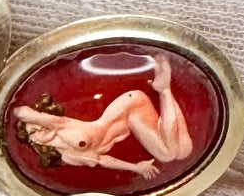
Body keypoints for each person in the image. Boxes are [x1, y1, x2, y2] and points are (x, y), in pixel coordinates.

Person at [13, 53, 193, 179]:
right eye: (34, 132)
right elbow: (101, 159)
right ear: (33, 141)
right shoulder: (66, 156)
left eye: (37, 124)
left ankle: (164, 89)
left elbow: (21, 112)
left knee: (167, 155)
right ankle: (164, 89)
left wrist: (29, 115)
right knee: (184, 150)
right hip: (129, 119)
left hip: (127, 105)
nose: (40, 129)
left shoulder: (60, 125)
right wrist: (136, 168)